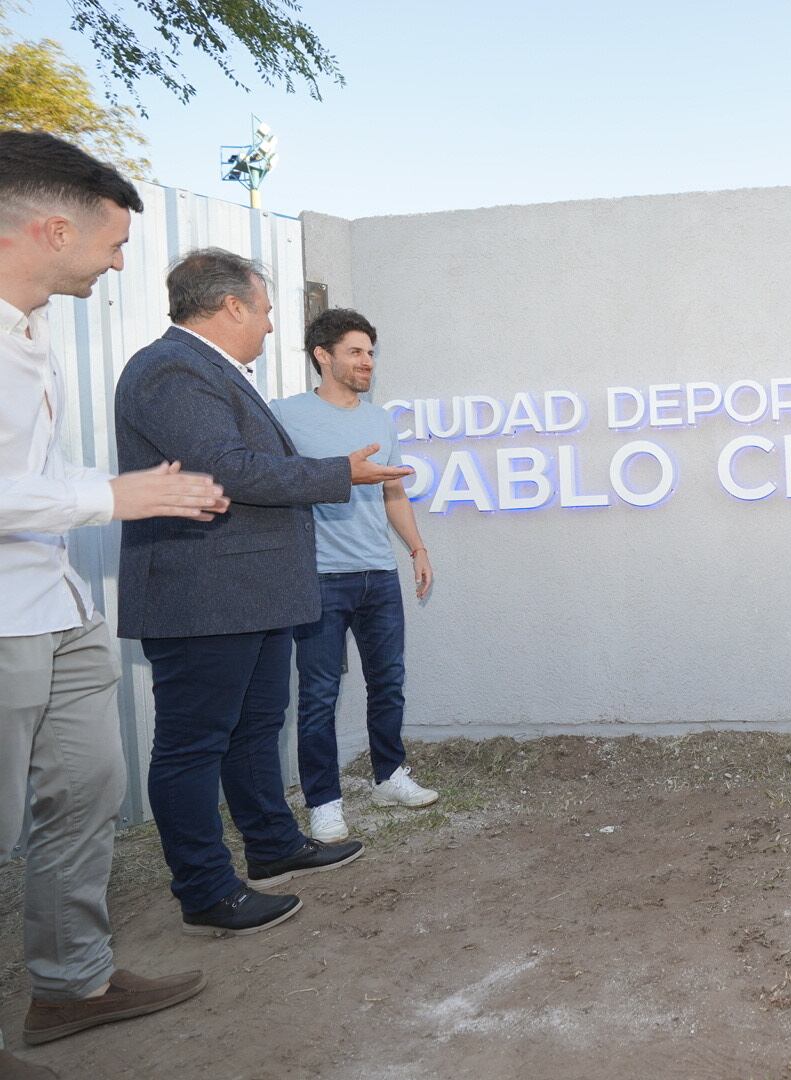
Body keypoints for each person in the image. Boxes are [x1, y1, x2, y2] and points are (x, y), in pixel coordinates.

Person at [0, 131, 219, 1076]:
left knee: (86, 795)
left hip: (59, 604)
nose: (123, 260)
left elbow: (30, 475)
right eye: (115, 241)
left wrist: (138, 487)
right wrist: (116, 497)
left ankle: (71, 987)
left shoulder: (29, 331)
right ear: (52, 229)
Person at [114, 248, 413, 936]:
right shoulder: (170, 370)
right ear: (232, 307)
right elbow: (231, 470)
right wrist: (339, 473)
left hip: (249, 591)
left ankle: (273, 843)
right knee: (193, 746)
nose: (272, 326)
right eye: (268, 310)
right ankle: (206, 887)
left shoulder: (214, 372)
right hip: (203, 593)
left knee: (254, 729)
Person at [269, 308, 439, 844]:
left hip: (378, 575)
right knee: (319, 693)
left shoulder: (379, 418)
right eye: (356, 352)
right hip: (320, 576)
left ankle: (390, 776)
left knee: (388, 682)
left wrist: (416, 547)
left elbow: (392, 491)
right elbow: (269, 481)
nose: (367, 361)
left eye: (370, 352)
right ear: (323, 356)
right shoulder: (285, 415)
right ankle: (324, 802)